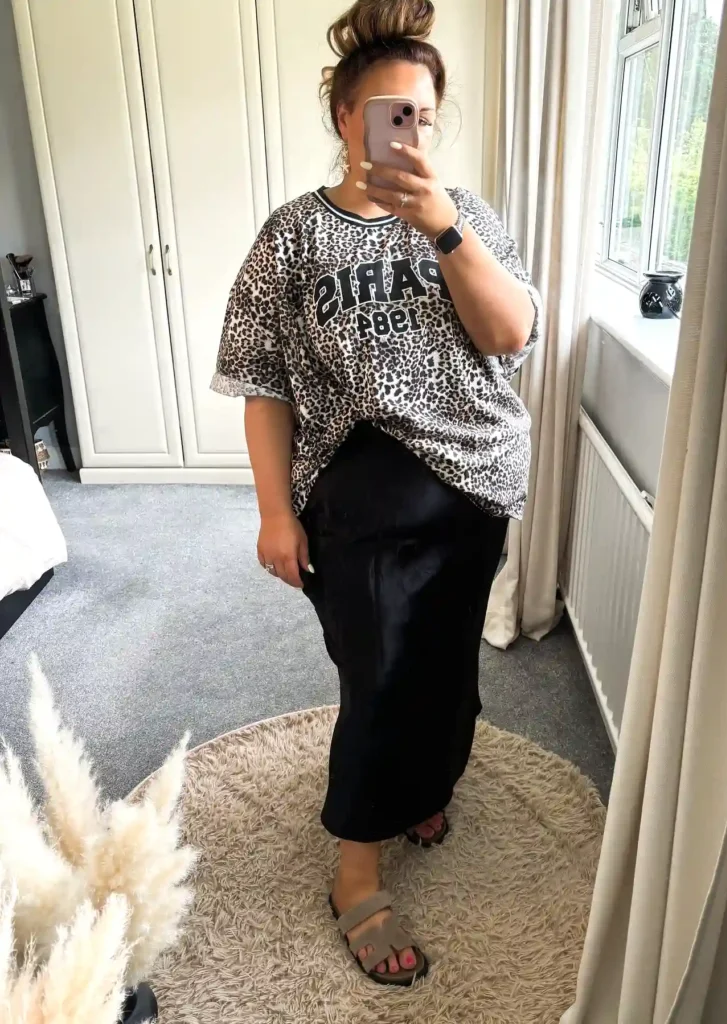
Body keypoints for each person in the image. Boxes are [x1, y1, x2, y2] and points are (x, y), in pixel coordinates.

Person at [212, 0, 541, 988]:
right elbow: (261, 379)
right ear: (343, 113)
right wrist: (274, 511)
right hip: (357, 497)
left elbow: (510, 335)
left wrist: (441, 226)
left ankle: (424, 783)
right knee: (382, 677)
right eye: (387, 112)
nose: (409, 131)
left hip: (477, 479)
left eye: (423, 116)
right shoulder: (292, 236)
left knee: (446, 670)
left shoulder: (464, 212)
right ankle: (356, 868)